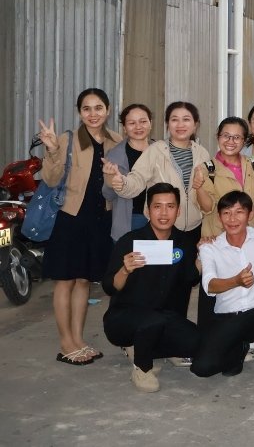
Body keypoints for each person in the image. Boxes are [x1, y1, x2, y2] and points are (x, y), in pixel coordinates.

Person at [38, 88, 123, 365]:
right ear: (79, 113)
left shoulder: (116, 141)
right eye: (86, 108)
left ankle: (78, 339)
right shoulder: (68, 139)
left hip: (100, 220)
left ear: (108, 110)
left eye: (98, 107)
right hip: (71, 217)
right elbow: (51, 180)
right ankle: (66, 344)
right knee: (66, 280)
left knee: (85, 280)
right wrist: (51, 150)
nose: (93, 114)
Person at [102, 183, 201, 392]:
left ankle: (144, 348)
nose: (164, 213)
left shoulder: (184, 242)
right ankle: (142, 367)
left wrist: (202, 255)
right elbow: (110, 287)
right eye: (157, 206)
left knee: (197, 342)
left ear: (178, 211)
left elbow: (191, 279)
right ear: (148, 210)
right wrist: (125, 270)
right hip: (124, 319)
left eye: (170, 206)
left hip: (165, 317)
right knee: (151, 320)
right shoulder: (129, 241)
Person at [191, 191, 254, 390]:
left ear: (250, 215)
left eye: (239, 212)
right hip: (228, 318)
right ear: (219, 218)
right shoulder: (211, 247)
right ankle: (239, 348)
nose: (232, 219)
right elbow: (209, 284)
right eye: (226, 213)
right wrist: (236, 281)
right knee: (202, 368)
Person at [107, 101, 210, 248]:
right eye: (174, 119)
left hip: (195, 227)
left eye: (186, 119)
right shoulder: (155, 151)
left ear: (195, 124)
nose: (180, 125)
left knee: (191, 270)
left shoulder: (202, 153)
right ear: (167, 124)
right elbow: (137, 178)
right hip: (163, 228)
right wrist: (122, 183)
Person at [197, 117, 254, 238]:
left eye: (237, 137)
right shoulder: (205, 169)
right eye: (226, 136)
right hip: (217, 238)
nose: (230, 141)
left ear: (244, 141)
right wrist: (199, 187)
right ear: (218, 136)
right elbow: (207, 208)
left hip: (253, 236)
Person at [102, 103, 154, 241]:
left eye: (143, 121)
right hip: (129, 220)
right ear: (124, 128)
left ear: (151, 123)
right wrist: (110, 180)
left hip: (159, 219)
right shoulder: (114, 156)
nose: (138, 127)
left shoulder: (161, 151)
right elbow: (108, 196)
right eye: (132, 123)